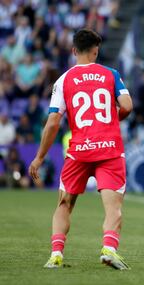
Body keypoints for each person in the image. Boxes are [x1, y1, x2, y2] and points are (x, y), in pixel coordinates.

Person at [28, 29, 133, 270]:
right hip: (110, 150)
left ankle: (56, 254)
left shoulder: (63, 80)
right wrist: (112, 120)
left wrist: (39, 157)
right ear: (96, 51)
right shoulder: (111, 74)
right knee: (113, 207)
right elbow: (127, 105)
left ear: (74, 50)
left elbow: (53, 122)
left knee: (64, 204)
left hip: (80, 151)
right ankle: (109, 249)